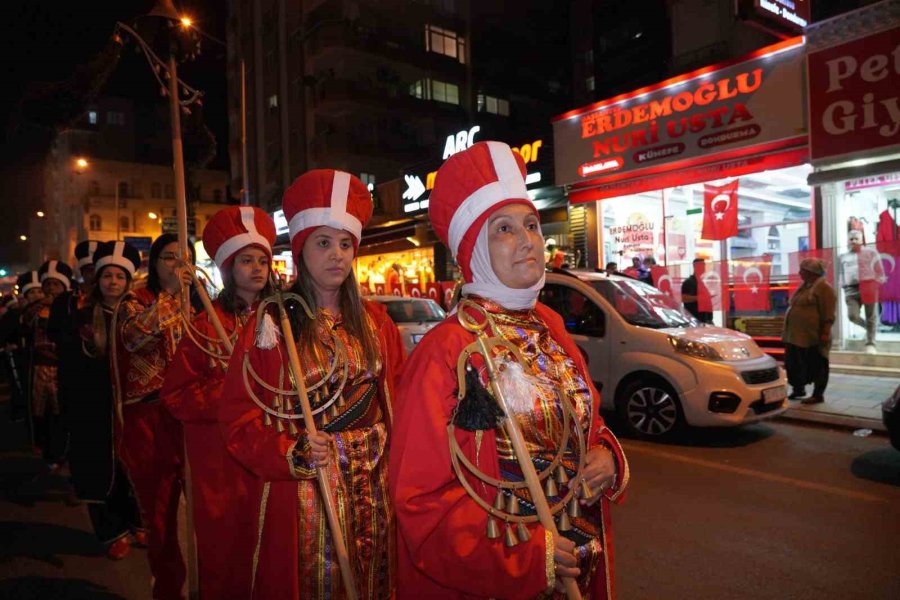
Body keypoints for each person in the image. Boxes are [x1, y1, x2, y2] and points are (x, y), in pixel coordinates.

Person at [389, 141, 629, 598]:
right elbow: (419, 498)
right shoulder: (446, 349)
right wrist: (527, 555)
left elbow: (587, 425)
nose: (527, 241)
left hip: (581, 559)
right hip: (502, 571)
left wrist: (606, 458)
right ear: (474, 249)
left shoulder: (551, 326)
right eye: (504, 229)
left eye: (531, 225)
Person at [218, 170, 406, 599]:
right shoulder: (272, 323)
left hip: (376, 487)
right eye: (323, 243)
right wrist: (291, 450)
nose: (336, 255)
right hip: (308, 489)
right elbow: (237, 418)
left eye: (345, 244)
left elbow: (402, 399)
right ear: (301, 250)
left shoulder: (377, 322)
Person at [161, 207, 276, 600]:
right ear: (227, 268)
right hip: (222, 465)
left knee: (275, 550)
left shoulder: (284, 320)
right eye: (247, 260)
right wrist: (230, 394)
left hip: (273, 457)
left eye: (263, 260)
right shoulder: (206, 326)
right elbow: (176, 397)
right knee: (226, 554)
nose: (257, 269)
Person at [112, 233, 193, 599]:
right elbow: (133, 338)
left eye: (184, 258)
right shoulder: (134, 302)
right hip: (150, 420)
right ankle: (168, 588)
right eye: (169, 258)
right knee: (161, 515)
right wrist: (173, 296)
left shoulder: (199, 303)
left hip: (192, 419)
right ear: (154, 263)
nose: (177, 265)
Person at [50, 241, 144, 559]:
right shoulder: (81, 316)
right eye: (107, 276)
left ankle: (136, 521)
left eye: (119, 276)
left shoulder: (140, 315)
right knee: (99, 468)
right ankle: (111, 531)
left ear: (128, 281)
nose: (113, 282)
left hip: (130, 406)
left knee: (131, 465)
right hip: (92, 406)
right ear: (98, 280)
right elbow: (70, 362)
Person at [31, 260, 74, 467]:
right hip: (40, 368)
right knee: (41, 411)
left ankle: (61, 451)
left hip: (63, 368)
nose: (51, 289)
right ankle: (46, 449)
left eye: (55, 285)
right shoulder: (36, 309)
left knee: (61, 411)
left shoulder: (71, 306)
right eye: (47, 284)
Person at [782, 258, 837, 404]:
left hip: (812, 336)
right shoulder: (805, 287)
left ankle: (818, 395)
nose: (799, 273)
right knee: (794, 363)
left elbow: (828, 314)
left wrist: (825, 333)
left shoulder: (824, 288)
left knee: (817, 365)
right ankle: (798, 389)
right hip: (795, 336)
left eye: (803, 270)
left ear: (811, 272)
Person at [0, 272, 43, 423]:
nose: (36, 295)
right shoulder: (16, 314)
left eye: (39, 291)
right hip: (22, 358)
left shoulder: (50, 311)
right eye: (32, 292)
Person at [839, 230, 884, 353]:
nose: (853, 241)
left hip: (868, 287)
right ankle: (870, 329)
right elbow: (841, 273)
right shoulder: (843, 256)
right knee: (852, 316)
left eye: (856, 238)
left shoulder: (871, 252)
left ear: (861, 240)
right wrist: (843, 286)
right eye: (851, 239)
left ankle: (870, 343)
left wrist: (876, 284)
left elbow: (880, 270)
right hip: (851, 290)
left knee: (871, 317)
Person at [681, 258, 713, 323]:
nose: (704, 268)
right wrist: (699, 298)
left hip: (704, 319)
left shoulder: (700, 282)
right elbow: (683, 298)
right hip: (695, 320)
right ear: (695, 267)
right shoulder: (689, 282)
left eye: (704, 266)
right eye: (701, 266)